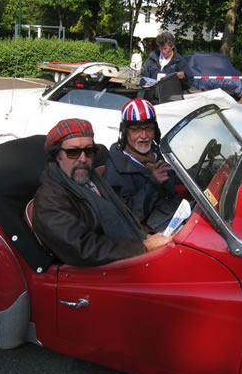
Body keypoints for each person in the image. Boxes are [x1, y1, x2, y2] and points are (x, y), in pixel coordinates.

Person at [33, 118, 171, 266]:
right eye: (73, 152)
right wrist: (143, 246)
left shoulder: (93, 179)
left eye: (89, 151)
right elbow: (82, 248)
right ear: (57, 155)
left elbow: (123, 215)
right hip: (103, 272)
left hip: (130, 253)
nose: (83, 159)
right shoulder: (49, 199)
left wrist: (148, 236)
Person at [103, 99, 181, 232]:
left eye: (149, 128)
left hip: (174, 215)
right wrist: (153, 184)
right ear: (125, 132)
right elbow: (127, 218)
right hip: (153, 232)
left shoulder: (153, 152)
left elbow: (173, 177)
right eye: (136, 130)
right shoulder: (115, 170)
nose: (144, 136)